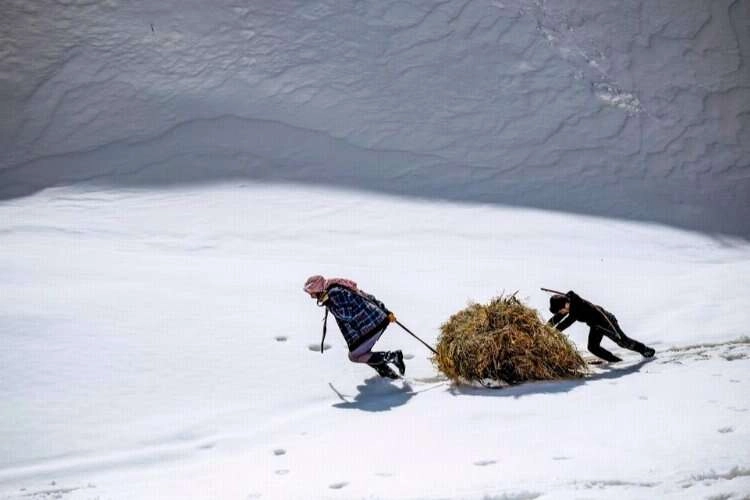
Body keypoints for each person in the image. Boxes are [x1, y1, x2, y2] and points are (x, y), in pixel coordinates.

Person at [303, 275, 405, 379]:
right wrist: (386, 311)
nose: (311, 296)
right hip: (375, 320)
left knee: (355, 355)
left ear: (318, 289)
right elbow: (366, 296)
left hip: (370, 324)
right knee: (363, 353)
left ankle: (393, 357)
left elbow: (347, 315)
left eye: (312, 293)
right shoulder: (337, 287)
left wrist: (328, 303)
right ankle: (387, 373)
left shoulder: (334, 293)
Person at [548, 290, 655, 362]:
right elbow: (559, 316)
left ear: (565, 305)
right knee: (593, 347)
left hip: (606, 323)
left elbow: (567, 322)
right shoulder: (568, 302)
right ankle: (615, 361)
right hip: (596, 325)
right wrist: (547, 327)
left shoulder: (577, 307)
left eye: (560, 310)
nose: (561, 313)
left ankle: (645, 350)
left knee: (623, 342)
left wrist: (554, 331)